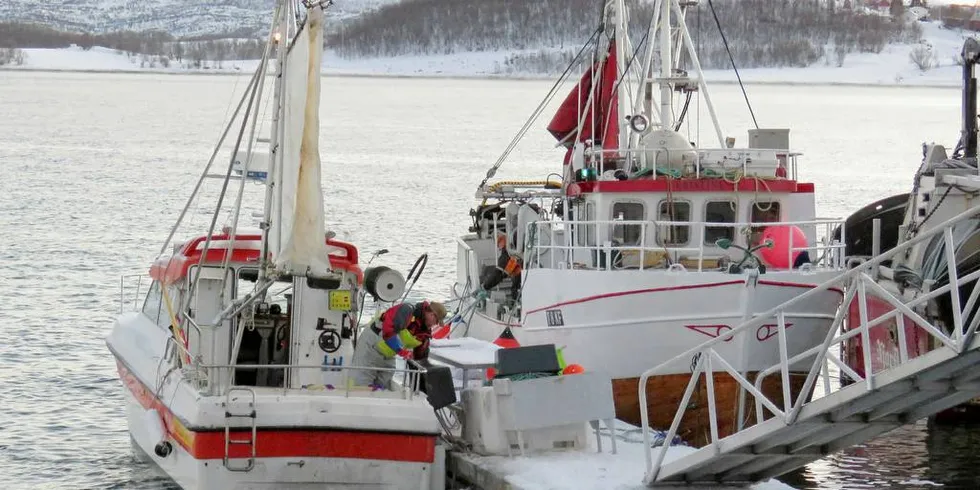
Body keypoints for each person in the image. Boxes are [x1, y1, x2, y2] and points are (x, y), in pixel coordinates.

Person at [350, 300, 447, 389]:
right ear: (432, 315)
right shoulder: (406, 310)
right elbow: (388, 333)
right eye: (437, 321)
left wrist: (424, 384)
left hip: (388, 353)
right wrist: (402, 352)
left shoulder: (424, 333)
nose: (435, 324)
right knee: (361, 382)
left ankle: (376, 395)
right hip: (371, 345)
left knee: (385, 380)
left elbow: (420, 358)